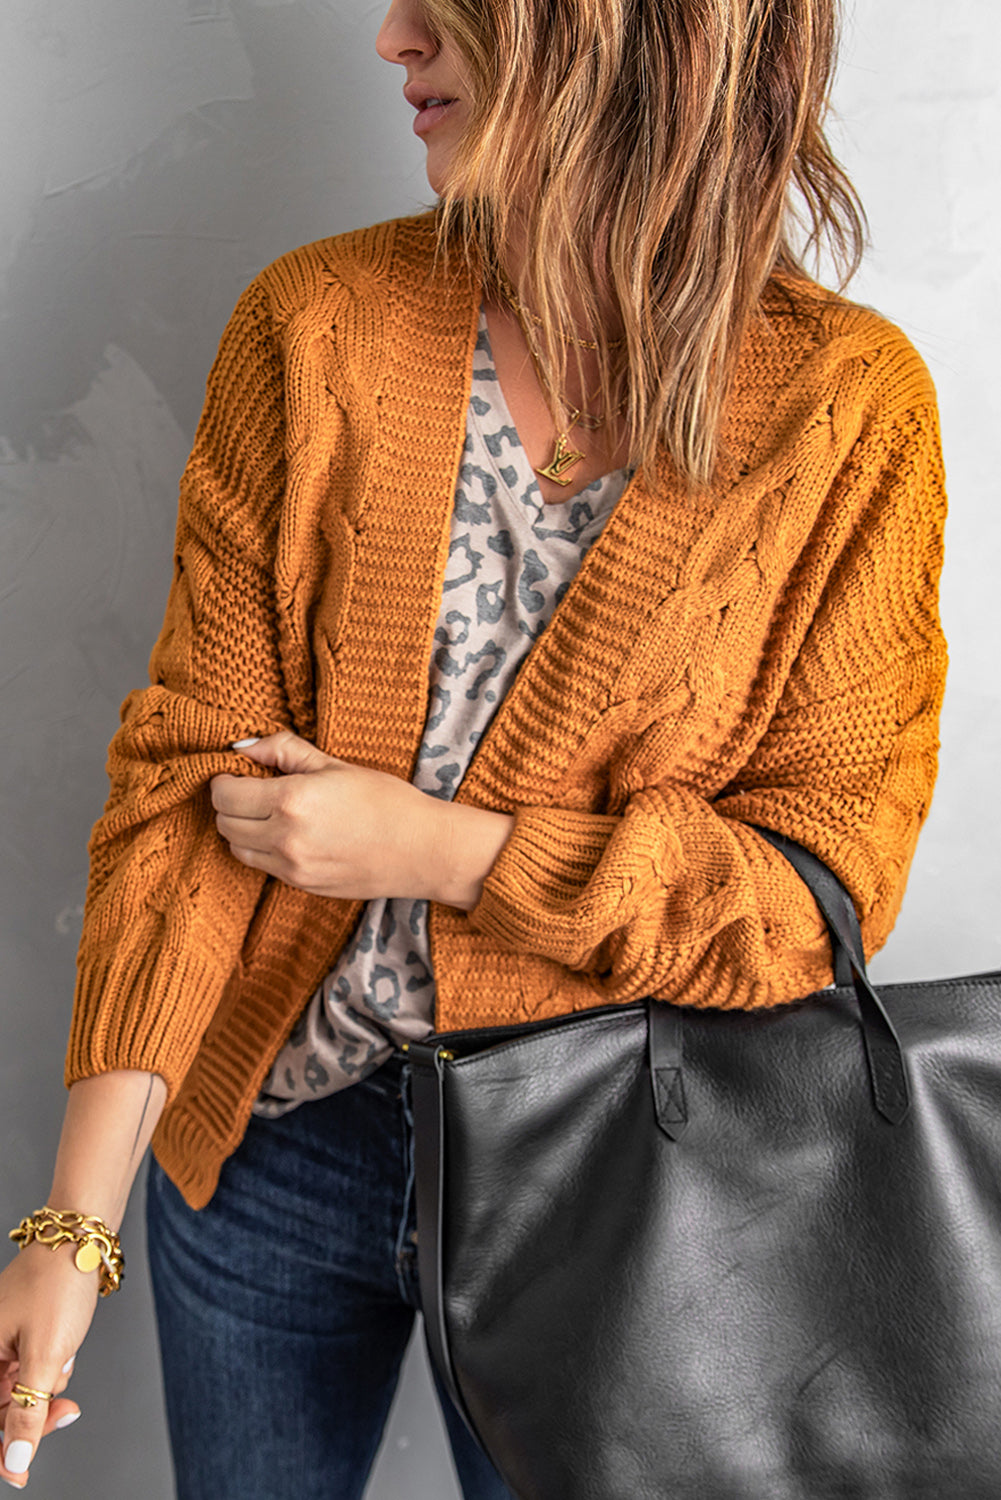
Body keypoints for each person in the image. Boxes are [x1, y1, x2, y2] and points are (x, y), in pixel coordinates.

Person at [0, 0, 948, 1495]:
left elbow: (816, 897)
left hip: (615, 1193)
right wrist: (72, 1224)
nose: (390, 36)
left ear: (626, 31)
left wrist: (444, 851)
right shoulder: (316, 322)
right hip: (271, 1151)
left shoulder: (846, 409)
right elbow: (188, 787)